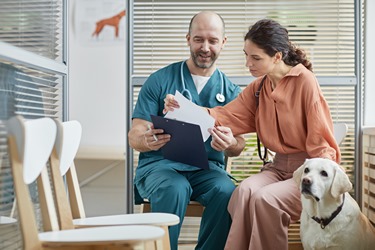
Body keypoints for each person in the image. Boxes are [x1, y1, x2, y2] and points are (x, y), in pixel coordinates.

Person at [164, 19, 341, 250]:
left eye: (256, 58)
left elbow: (321, 141)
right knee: (243, 192)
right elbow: (224, 115)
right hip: (277, 168)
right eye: (246, 55)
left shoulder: (305, 82)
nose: (248, 63)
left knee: (264, 199)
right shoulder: (258, 88)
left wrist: (324, 180)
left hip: (307, 171)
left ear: (277, 56)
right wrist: (183, 107)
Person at [128, 11, 245, 250]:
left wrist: (230, 144)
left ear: (223, 42)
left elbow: (239, 145)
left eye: (212, 40)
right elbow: (135, 134)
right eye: (198, 39)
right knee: (174, 187)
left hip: (207, 169)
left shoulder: (231, 91)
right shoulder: (160, 80)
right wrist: (147, 139)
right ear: (188, 39)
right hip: (161, 166)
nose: (205, 47)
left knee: (226, 192)